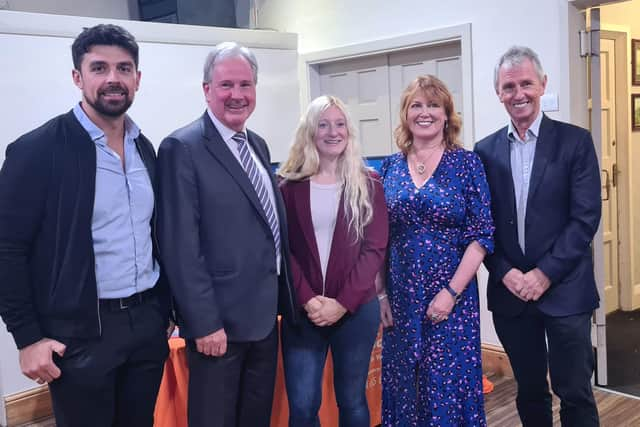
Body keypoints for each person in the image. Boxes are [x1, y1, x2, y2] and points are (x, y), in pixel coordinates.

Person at [0, 24, 171, 427]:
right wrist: (27, 338)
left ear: (137, 79)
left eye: (124, 68)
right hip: (81, 333)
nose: (113, 78)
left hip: (146, 325)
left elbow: (154, 235)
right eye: (99, 68)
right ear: (78, 77)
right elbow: (7, 247)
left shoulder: (145, 147)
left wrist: (164, 311)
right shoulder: (38, 151)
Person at [156, 41, 298, 427]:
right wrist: (203, 323)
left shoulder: (256, 144)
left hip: (265, 319)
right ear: (207, 90)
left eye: (245, 85)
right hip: (218, 327)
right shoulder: (181, 148)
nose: (237, 95)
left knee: (254, 418)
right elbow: (179, 245)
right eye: (226, 85)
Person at [474, 46, 601, 427]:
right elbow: (482, 225)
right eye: (508, 86)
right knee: (529, 391)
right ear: (498, 92)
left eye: (526, 83)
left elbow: (585, 219)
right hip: (511, 294)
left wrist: (543, 274)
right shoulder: (484, 151)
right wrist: (505, 272)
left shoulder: (575, 142)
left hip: (565, 290)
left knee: (575, 390)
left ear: (542, 84)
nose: (519, 94)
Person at [379, 75, 494, 426]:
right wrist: (381, 295)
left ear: (447, 115)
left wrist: (450, 292)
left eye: (433, 105)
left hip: (451, 301)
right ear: (405, 114)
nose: (424, 112)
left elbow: (482, 236)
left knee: (446, 387)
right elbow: (377, 238)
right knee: (404, 388)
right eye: (416, 105)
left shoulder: (467, 164)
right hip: (400, 301)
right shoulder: (390, 167)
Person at [278, 95, 388, 427]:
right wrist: (310, 300)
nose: (332, 132)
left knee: (352, 401)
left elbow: (375, 249)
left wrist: (341, 304)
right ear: (310, 131)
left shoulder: (369, 182)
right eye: (323, 124)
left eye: (340, 124)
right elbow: (284, 250)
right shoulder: (287, 185)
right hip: (303, 311)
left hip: (356, 310)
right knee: (302, 406)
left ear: (349, 131)